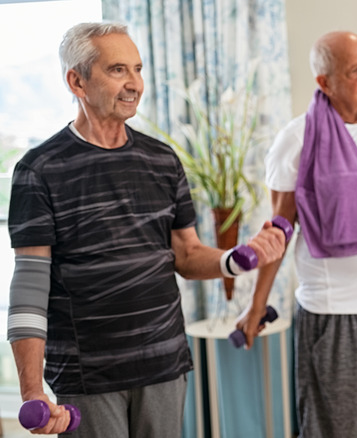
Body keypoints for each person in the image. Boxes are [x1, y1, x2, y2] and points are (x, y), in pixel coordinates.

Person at [6, 22, 286, 437]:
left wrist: (236, 259)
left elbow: (187, 255)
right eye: (118, 70)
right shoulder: (39, 170)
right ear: (76, 81)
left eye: (138, 69)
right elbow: (30, 286)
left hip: (163, 364)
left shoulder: (162, 160)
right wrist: (32, 390)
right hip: (88, 376)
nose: (135, 83)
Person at [234, 31, 357, 438]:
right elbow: (279, 231)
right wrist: (257, 305)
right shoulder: (297, 138)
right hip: (337, 316)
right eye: (355, 71)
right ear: (324, 82)